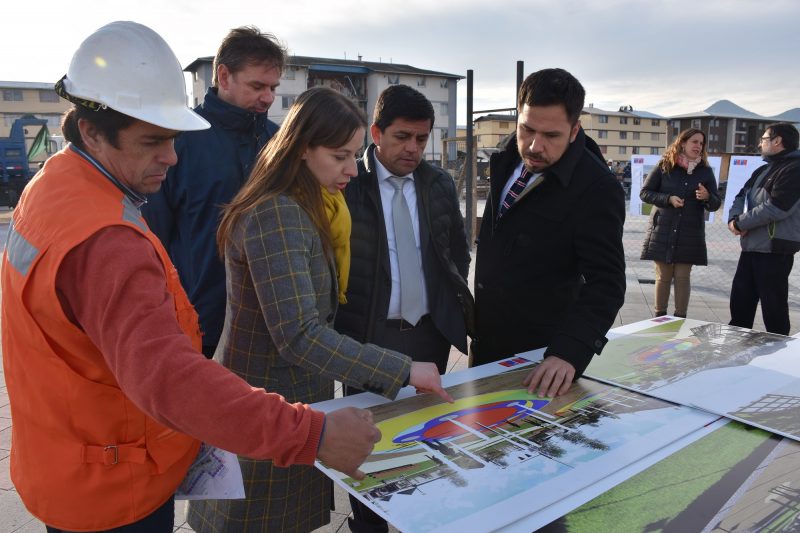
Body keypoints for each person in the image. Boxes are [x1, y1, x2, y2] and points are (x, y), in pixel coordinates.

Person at [0, 22, 384, 533]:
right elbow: (169, 380)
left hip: (69, 456)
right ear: (92, 130)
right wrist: (311, 432)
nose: (172, 157)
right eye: (153, 141)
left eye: (174, 139)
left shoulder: (54, 185)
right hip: (114, 480)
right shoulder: (104, 240)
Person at [186, 87, 453, 533]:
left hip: (287, 401)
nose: (352, 169)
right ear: (301, 149)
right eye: (340, 156)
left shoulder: (311, 203)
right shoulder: (279, 213)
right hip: (266, 406)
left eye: (353, 155)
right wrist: (403, 369)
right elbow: (299, 335)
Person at [333, 84, 472, 532]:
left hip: (429, 334)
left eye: (421, 138)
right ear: (376, 132)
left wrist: (451, 308)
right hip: (368, 338)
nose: (413, 149)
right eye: (402, 137)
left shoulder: (438, 184)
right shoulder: (347, 182)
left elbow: (456, 252)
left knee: (426, 445)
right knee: (370, 454)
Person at [472, 68, 626, 398]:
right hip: (486, 344)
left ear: (574, 131)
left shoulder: (596, 188)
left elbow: (607, 283)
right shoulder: (507, 156)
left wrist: (568, 352)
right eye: (527, 129)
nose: (535, 145)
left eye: (552, 135)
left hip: (541, 362)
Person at [142, 26, 284, 358]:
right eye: (257, 86)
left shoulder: (279, 143)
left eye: (273, 88)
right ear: (224, 76)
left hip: (274, 324)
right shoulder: (179, 139)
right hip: (201, 325)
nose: (268, 97)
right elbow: (153, 236)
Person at [639, 128, 721, 318]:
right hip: (663, 230)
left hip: (689, 232)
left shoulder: (706, 172)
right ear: (682, 143)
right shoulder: (664, 166)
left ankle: (680, 318)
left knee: (683, 277)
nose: (698, 146)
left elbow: (715, 203)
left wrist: (707, 196)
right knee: (663, 277)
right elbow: (645, 193)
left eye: (701, 143)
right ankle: (660, 317)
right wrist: (668, 199)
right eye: (695, 142)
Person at [728, 122, 800, 335]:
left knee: (774, 311)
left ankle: (779, 358)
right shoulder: (763, 169)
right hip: (750, 247)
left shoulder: (795, 169)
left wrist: (741, 223)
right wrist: (734, 219)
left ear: (777, 141)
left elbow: (777, 208)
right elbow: (741, 196)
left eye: (764, 139)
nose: (760, 143)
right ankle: (734, 354)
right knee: (740, 305)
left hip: (775, 250)